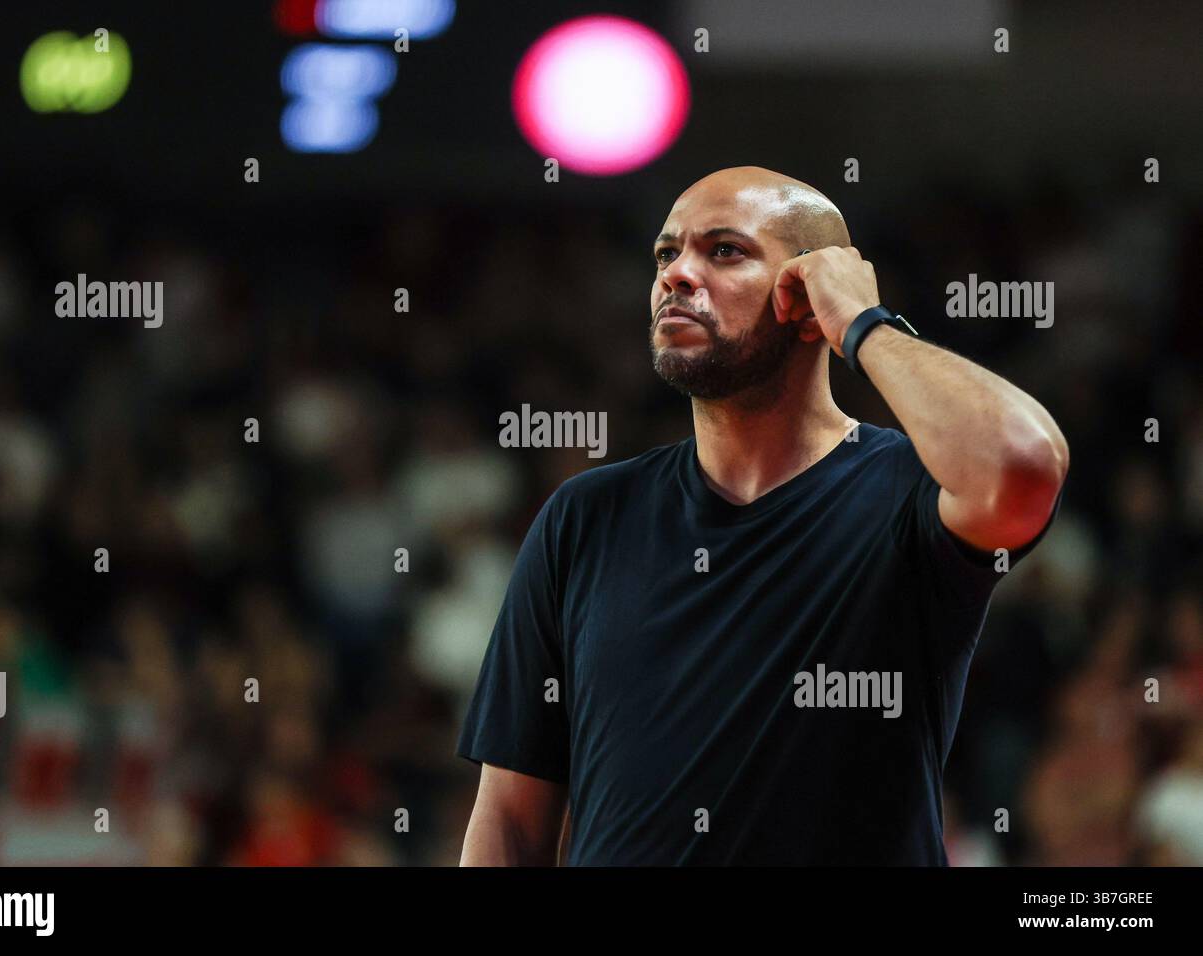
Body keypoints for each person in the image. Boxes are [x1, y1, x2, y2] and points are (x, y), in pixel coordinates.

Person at [456, 167, 1069, 865]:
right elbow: (508, 817)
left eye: (724, 251)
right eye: (666, 254)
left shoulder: (911, 492)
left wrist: (864, 324)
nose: (677, 276)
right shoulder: (584, 517)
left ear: (810, 294)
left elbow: (1022, 465)